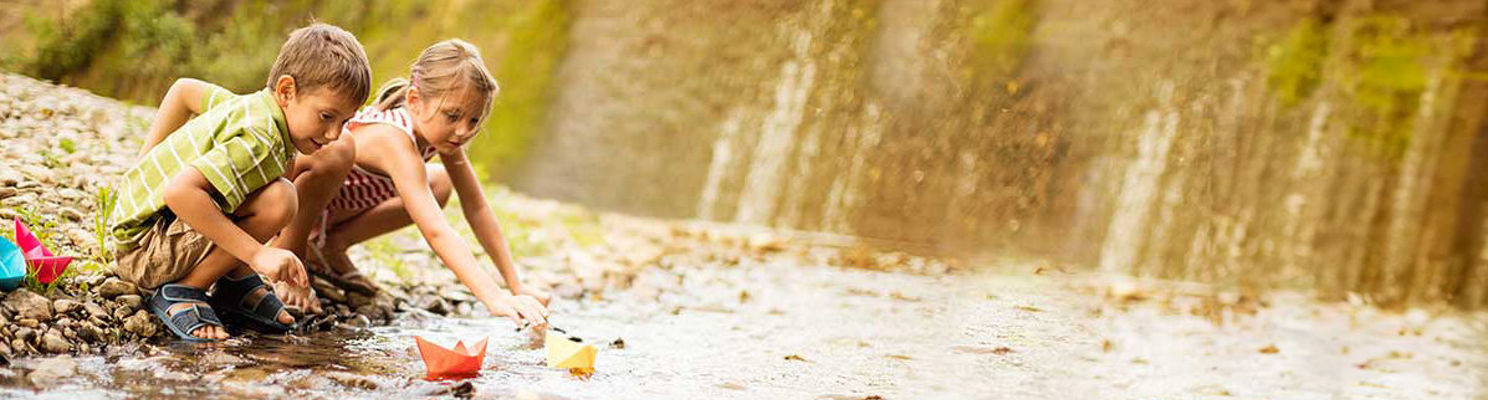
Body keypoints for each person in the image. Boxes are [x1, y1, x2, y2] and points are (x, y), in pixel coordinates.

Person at [108, 23, 371, 341]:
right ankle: (186, 289)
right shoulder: (258, 137)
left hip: (148, 233)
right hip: (143, 252)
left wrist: (142, 168)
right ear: (287, 92)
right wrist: (257, 255)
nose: (334, 134)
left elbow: (184, 89)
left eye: (345, 121)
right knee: (281, 199)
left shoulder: (252, 106)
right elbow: (180, 192)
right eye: (327, 116)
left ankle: (233, 280)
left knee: (275, 185)